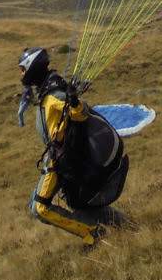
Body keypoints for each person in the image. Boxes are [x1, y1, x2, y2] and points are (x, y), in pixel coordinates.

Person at [16, 47, 127, 248]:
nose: (21, 74)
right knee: (77, 204)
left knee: (40, 208)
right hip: (60, 157)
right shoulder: (48, 89)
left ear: (32, 68)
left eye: (23, 69)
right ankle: (124, 225)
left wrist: (73, 100)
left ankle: (92, 234)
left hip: (63, 160)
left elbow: (80, 113)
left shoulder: (55, 94)